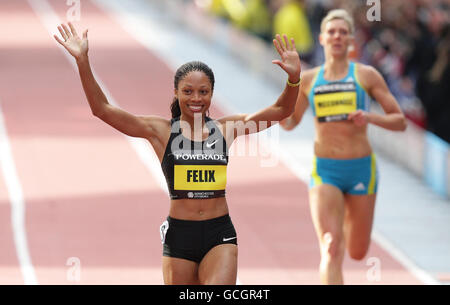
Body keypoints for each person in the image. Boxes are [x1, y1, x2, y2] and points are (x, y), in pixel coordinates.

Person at [54, 22, 301, 284]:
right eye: (188, 91)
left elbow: (280, 111)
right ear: (176, 92)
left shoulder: (228, 128)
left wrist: (294, 79)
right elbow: (102, 109)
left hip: (220, 234)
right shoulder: (159, 131)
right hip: (180, 237)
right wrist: (83, 61)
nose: (196, 98)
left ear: (212, 94)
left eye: (203, 92)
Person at [280, 9, 407, 285]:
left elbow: (400, 122)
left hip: (361, 170)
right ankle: (335, 228)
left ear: (350, 40)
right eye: (332, 31)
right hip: (325, 171)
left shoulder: (366, 75)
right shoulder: (310, 80)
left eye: (343, 32)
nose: (337, 36)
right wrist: (290, 83)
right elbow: (289, 123)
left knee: (357, 252)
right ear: (322, 38)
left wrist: (370, 117)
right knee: (331, 246)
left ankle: (347, 218)